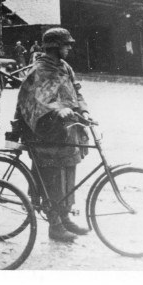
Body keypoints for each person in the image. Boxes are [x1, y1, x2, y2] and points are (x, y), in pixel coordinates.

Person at [14, 27, 92, 242]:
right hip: (44, 133)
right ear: (55, 46)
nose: (69, 48)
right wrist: (57, 109)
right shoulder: (38, 70)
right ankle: (54, 224)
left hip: (66, 131)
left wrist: (83, 110)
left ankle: (65, 216)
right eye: (66, 44)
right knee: (52, 177)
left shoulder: (65, 67)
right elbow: (33, 102)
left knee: (68, 172)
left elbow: (76, 90)